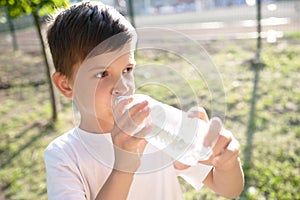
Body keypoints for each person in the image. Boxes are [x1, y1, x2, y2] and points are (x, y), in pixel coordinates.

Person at [44, 1, 244, 200]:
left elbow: (228, 190)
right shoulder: (64, 156)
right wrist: (123, 167)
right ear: (66, 85)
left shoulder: (152, 119)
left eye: (127, 70)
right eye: (102, 74)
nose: (122, 87)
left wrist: (226, 163)